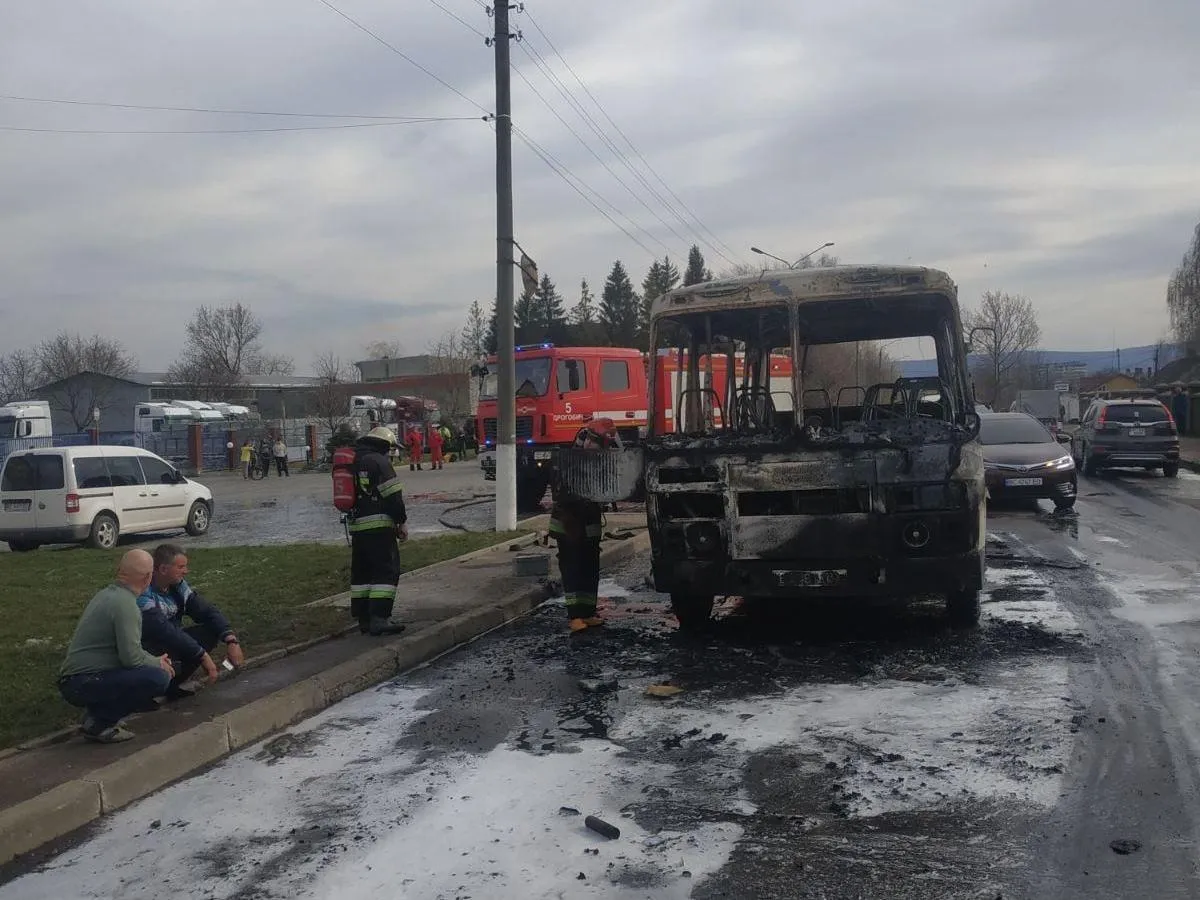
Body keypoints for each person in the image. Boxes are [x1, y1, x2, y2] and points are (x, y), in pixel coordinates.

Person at [58, 549, 175, 743]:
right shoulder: (126, 605)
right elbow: (131, 658)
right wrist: (158, 663)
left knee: (151, 670)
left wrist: (155, 660)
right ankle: (100, 723)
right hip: (83, 682)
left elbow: (127, 652)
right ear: (148, 578)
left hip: (76, 680)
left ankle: (96, 716)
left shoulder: (106, 594)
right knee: (159, 678)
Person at [138, 543, 244, 700]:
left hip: (171, 640)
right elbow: (163, 629)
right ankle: (144, 694)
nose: (186, 571)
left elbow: (206, 610)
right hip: (145, 647)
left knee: (208, 632)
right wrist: (202, 655)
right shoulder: (143, 592)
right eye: (181, 567)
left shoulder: (178, 586)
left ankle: (171, 686)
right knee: (185, 645)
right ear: (163, 569)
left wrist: (231, 640)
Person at [549, 419, 618, 634]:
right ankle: (575, 615)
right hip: (569, 524)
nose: (600, 448)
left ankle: (588, 612)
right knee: (573, 568)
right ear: (587, 439)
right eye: (599, 443)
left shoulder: (597, 460)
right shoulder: (569, 461)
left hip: (589, 524)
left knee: (590, 568)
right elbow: (562, 493)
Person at [348, 426, 409, 635]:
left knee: (362, 573)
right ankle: (380, 618)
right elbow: (393, 497)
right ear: (383, 445)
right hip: (380, 526)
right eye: (390, 448)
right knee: (386, 570)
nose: (390, 453)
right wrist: (401, 522)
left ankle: (364, 620)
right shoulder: (379, 462)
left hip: (357, 527)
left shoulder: (352, 461)